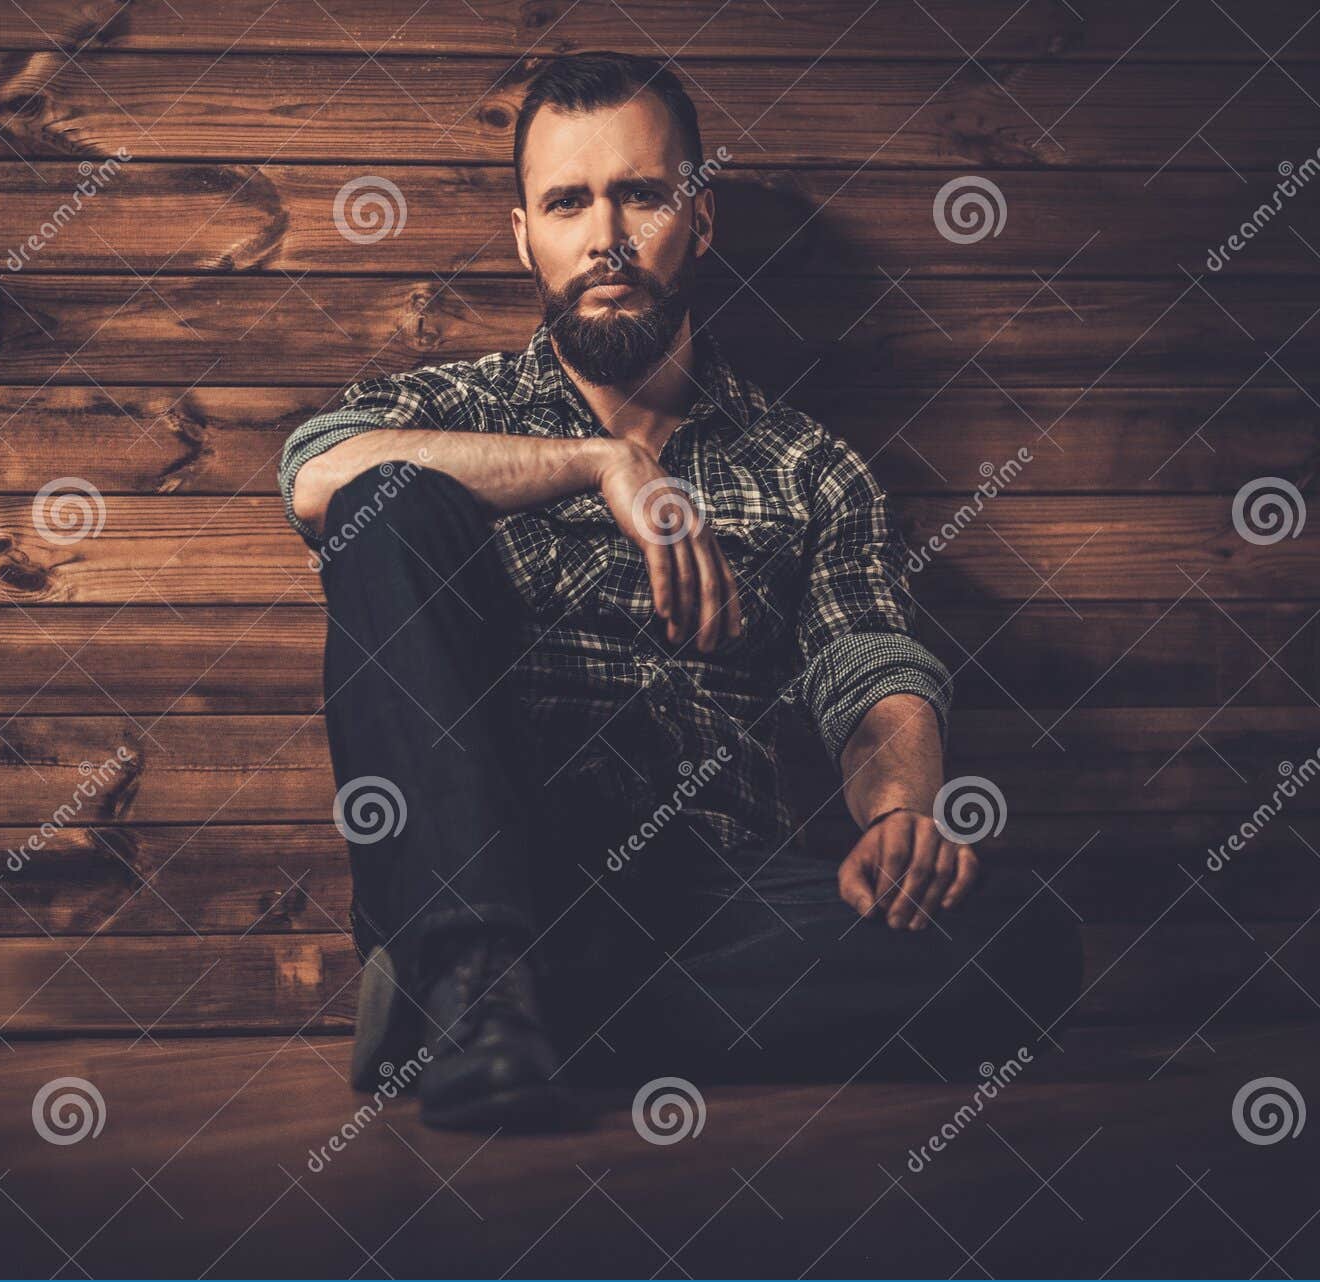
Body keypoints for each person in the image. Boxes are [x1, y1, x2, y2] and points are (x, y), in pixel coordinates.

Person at [278, 51, 1082, 1131]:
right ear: (525, 237)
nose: (605, 237)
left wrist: (899, 811)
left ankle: (492, 1013)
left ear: (696, 221)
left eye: (640, 195)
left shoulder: (807, 467)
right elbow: (317, 474)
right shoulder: (455, 409)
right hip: (480, 860)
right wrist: (600, 464)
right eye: (567, 202)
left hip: (701, 897)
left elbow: (869, 661)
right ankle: (474, 968)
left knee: (1021, 941)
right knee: (392, 498)